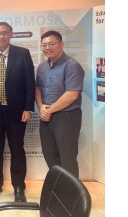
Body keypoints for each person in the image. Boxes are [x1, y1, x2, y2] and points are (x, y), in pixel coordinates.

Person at [0, 22, 35, 202]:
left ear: (11, 34)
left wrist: (28, 108)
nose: (1, 36)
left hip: (17, 110)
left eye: (4, 33)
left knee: (17, 148)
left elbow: (29, 83)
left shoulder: (22, 54)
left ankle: (19, 186)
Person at [35, 30, 85, 178]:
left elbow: (71, 95)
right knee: (50, 155)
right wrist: (41, 107)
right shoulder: (42, 66)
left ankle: (72, 197)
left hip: (67, 116)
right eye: (44, 45)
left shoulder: (72, 65)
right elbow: (37, 89)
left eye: (51, 44)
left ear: (62, 44)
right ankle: (58, 190)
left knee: (67, 157)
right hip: (46, 117)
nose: (47, 48)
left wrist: (48, 111)